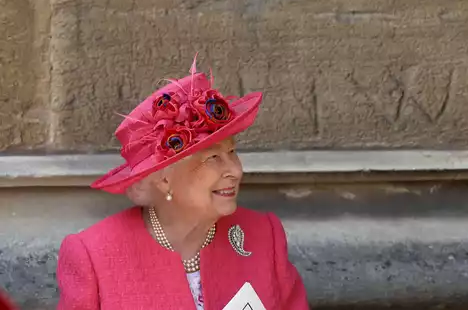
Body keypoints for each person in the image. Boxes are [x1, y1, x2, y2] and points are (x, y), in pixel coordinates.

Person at [56, 57, 309, 309]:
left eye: (232, 153)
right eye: (212, 158)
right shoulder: (94, 255)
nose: (235, 170)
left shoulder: (264, 235)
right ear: (164, 179)